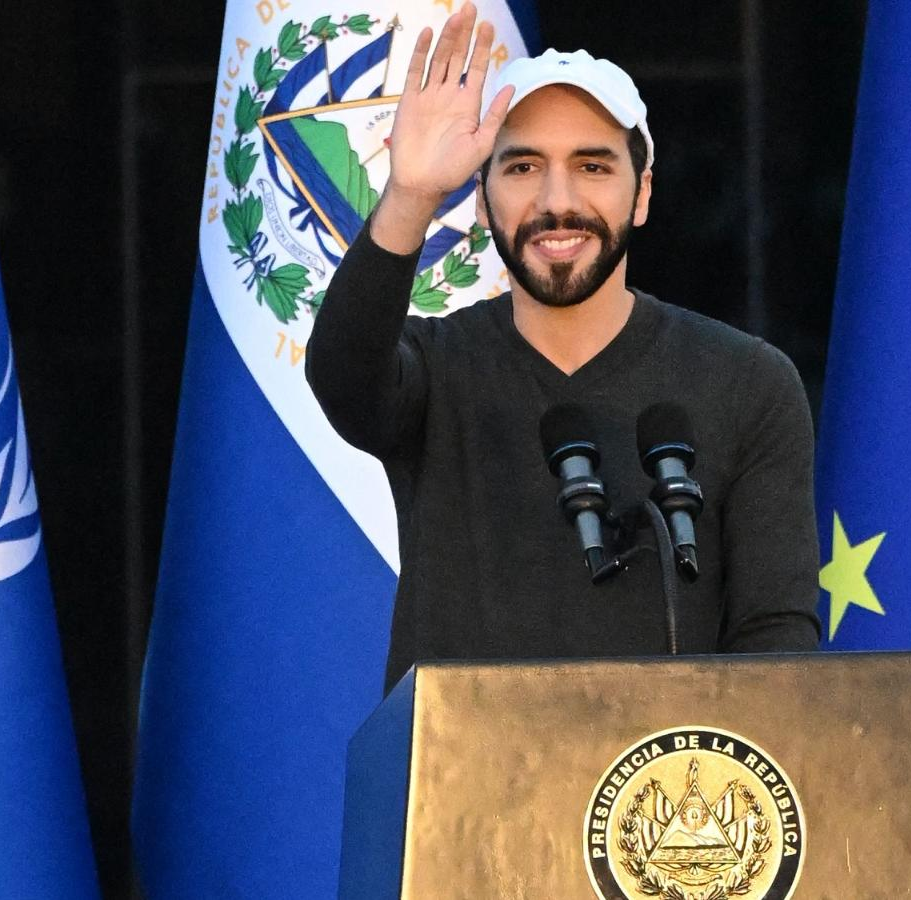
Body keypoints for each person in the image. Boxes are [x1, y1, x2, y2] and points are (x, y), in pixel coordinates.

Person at [305, 3, 820, 691]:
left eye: (592, 166)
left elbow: (777, 648)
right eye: (522, 167)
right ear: (482, 200)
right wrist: (411, 193)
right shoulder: (435, 368)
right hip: (463, 761)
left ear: (641, 194)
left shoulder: (749, 382)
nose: (556, 200)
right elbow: (342, 376)